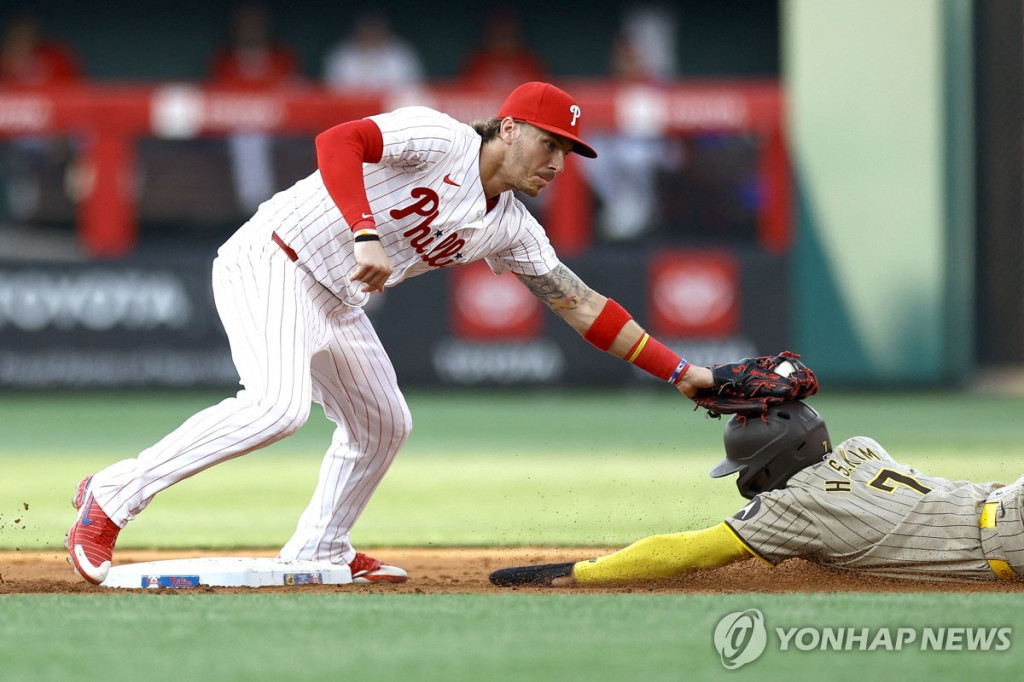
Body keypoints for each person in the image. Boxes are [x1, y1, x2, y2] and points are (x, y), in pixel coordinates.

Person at [66, 81, 722, 586]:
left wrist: (678, 370)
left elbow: (582, 306)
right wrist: (364, 230)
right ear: (512, 128)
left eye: (569, 153)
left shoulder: (513, 227)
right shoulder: (440, 138)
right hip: (274, 257)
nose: (558, 162)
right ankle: (114, 494)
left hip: (337, 296)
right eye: (550, 144)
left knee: (385, 423)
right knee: (277, 406)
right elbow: (337, 142)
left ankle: (321, 548)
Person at [491, 400, 1024, 587]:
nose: (747, 478)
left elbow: (689, 551)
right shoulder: (864, 447)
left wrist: (577, 571)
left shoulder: (791, 509)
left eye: (748, 466)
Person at [208, 2, 303, 213]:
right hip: (236, 128)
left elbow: (296, 94)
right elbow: (216, 97)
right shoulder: (225, 60)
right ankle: (255, 205)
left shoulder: (281, 58)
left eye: (256, 25)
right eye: (246, 25)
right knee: (248, 136)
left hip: (282, 127)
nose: (251, 29)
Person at [321, 12, 424, 92]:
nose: (371, 34)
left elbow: (413, 89)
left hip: (391, 112)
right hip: (350, 112)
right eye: (367, 29)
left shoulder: (400, 54)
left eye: (375, 29)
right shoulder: (342, 54)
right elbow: (333, 91)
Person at [458, 7, 546, 92]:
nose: (503, 41)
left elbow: (539, 90)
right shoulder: (478, 61)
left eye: (506, 36)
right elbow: (465, 92)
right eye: (499, 36)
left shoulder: (527, 61)